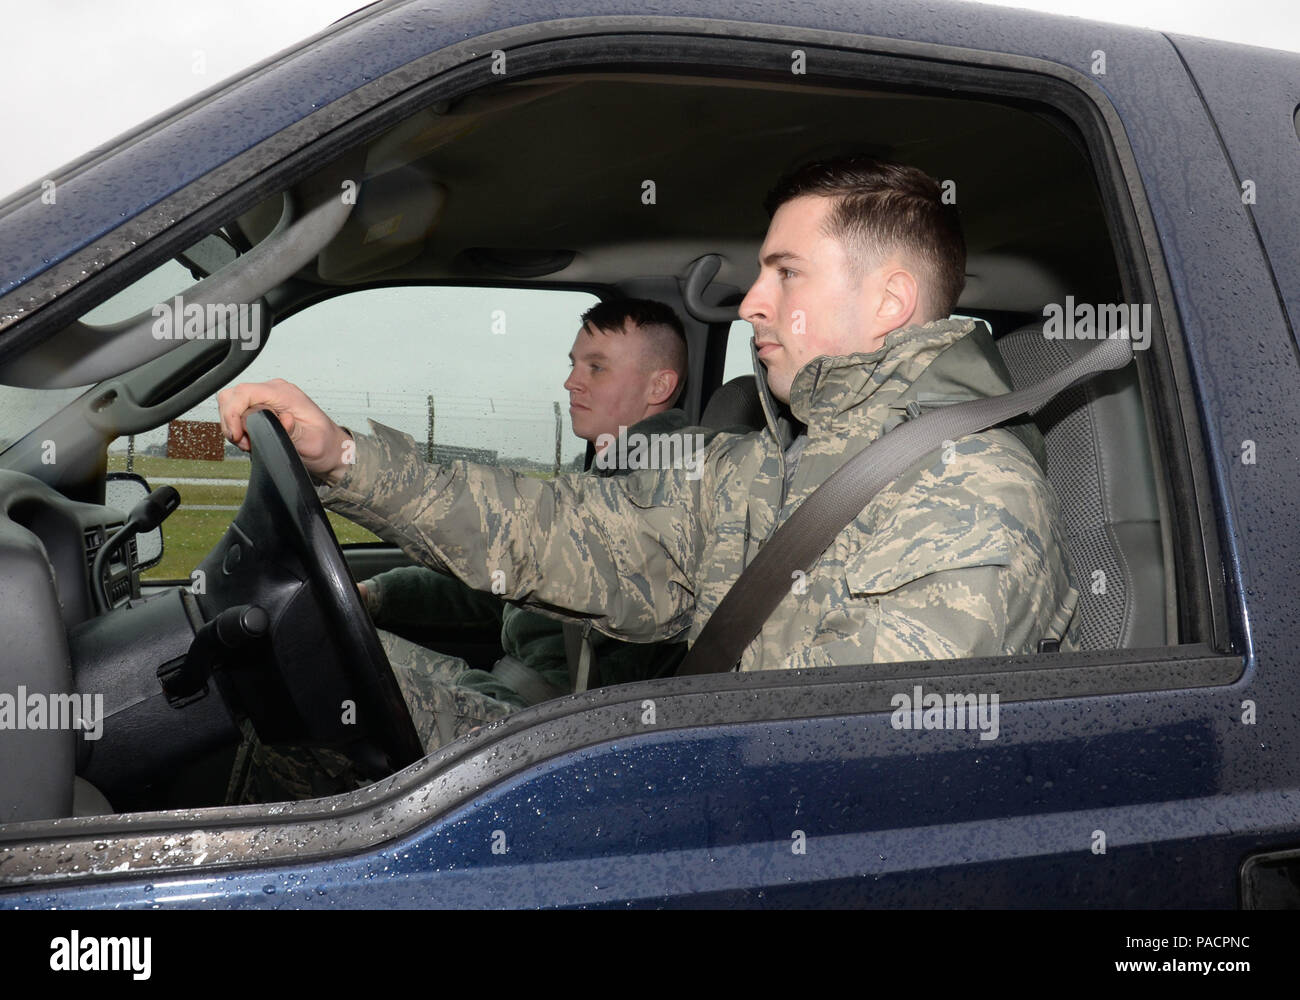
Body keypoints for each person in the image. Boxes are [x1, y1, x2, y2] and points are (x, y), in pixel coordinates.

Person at [218, 155, 1079, 794]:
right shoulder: (757, 469)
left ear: (888, 302)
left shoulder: (973, 498)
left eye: (785, 273)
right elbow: (565, 530)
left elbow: (844, 783)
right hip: (683, 790)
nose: (751, 303)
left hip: (715, 825)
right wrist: (351, 460)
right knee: (300, 686)